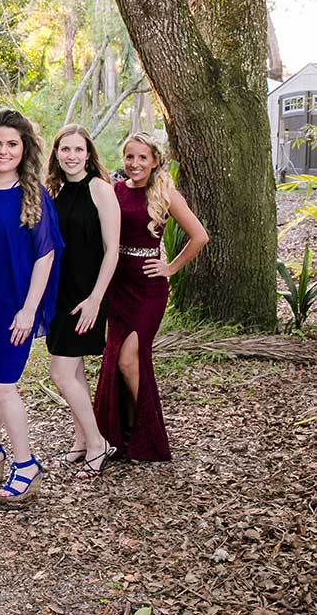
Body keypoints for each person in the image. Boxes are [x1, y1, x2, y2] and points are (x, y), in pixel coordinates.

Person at [0, 108, 62, 509]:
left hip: (14, 305)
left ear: (25, 149)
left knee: (4, 384)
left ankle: (26, 463)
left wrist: (28, 309)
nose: (4, 151)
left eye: (12, 144)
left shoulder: (33, 193)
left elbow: (46, 254)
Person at [93, 133, 208, 461]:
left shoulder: (164, 193)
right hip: (118, 286)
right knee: (118, 360)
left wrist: (170, 267)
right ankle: (120, 433)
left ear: (155, 160)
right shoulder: (115, 191)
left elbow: (200, 235)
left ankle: (146, 434)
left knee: (129, 358)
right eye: (129, 157)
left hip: (148, 288)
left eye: (142, 158)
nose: (135, 164)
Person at [44, 125, 120, 478]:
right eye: (65, 149)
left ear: (88, 153)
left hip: (87, 295)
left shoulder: (101, 190)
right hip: (60, 293)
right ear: (57, 154)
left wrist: (95, 299)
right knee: (73, 372)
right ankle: (80, 438)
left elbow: (112, 250)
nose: (71, 156)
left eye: (78, 149)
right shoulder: (55, 191)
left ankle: (97, 443)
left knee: (59, 372)